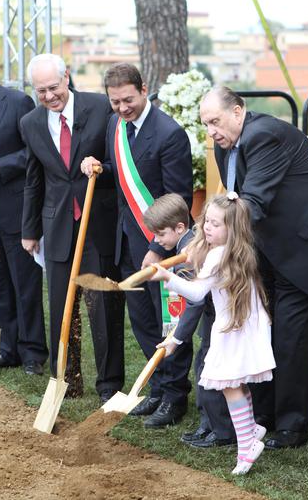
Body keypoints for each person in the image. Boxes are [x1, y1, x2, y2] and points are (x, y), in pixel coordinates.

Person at [200, 86, 308, 449]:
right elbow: (230, 196)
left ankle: (292, 427)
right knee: (261, 332)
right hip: (267, 251)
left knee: (291, 340)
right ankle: (262, 416)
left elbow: (252, 202)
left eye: (216, 121)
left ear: (238, 111)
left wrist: (207, 239)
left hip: (307, 248)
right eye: (206, 125)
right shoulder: (224, 144)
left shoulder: (264, 135)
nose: (212, 131)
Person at [81, 63, 193, 427]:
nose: (122, 108)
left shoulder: (170, 134)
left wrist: (159, 249)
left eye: (128, 99)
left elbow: (178, 199)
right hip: (127, 242)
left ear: (144, 89)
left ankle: (175, 397)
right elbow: (122, 172)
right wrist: (100, 167)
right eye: (115, 102)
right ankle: (158, 388)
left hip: (160, 248)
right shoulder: (115, 125)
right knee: (143, 324)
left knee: (167, 324)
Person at [20, 53, 123, 401]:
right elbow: (35, 180)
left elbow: (116, 162)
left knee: (103, 307)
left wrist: (101, 169)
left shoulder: (99, 108)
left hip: (97, 222)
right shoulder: (31, 123)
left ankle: (109, 385)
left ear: (66, 78)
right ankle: (66, 379)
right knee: (61, 306)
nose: (48, 96)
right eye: (40, 91)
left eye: (53, 87)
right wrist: (29, 229)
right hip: (58, 225)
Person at [152, 193, 275, 475]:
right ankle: (251, 428)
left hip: (235, 327)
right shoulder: (231, 249)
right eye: (206, 221)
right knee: (237, 381)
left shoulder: (219, 255)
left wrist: (167, 278)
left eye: (216, 224)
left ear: (232, 229)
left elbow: (196, 292)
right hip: (243, 324)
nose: (207, 227)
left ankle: (247, 445)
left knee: (229, 383)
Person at [144, 193, 236, 447]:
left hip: (219, 317)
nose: (157, 240)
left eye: (160, 234)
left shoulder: (190, 256)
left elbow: (195, 302)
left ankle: (220, 430)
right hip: (216, 315)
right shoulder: (190, 243)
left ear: (180, 227)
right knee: (205, 367)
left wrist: (177, 337)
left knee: (209, 369)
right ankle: (209, 425)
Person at [0, 53, 48, 374]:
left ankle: (34, 351)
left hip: (15, 207)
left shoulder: (17, 102)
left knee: (24, 281)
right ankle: (8, 347)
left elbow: (35, 152)